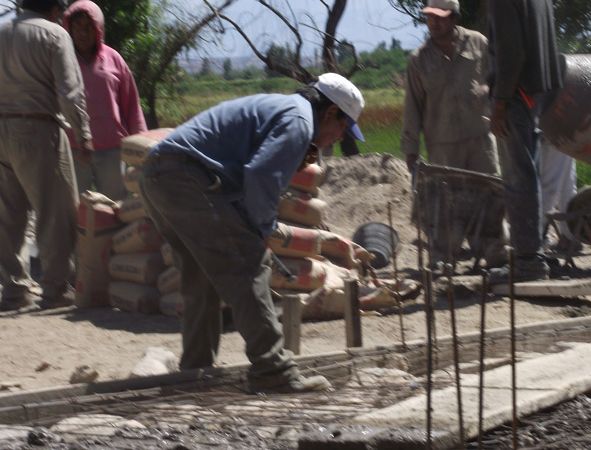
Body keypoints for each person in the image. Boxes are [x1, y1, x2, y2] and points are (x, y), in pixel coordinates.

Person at [139, 73, 365, 393]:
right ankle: (273, 370)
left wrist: (254, 225)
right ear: (330, 113)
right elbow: (260, 176)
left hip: (159, 175)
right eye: (343, 128)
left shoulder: (286, 110)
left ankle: (195, 373)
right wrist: (261, 230)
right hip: (185, 178)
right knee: (248, 265)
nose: (338, 138)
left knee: (201, 277)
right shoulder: (298, 122)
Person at [0, 0, 92, 311]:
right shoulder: (54, 34)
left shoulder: (2, 33)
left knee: (8, 216)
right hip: (39, 128)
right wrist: (83, 134)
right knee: (55, 212)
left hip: (1, 129)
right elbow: (69, 92)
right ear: (54, 10)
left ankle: (13, 291)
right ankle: (56, 288)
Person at [402, 0, 505, 268]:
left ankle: (493, 252)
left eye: (440, 17)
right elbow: (412, 107)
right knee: (445, 205)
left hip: (480, 140)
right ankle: (444, 257)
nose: (434, 23)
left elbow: (499, 77)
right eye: (430, 17)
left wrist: (489, 92)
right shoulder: (419, 60)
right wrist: (411, 150)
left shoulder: (478, 43)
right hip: (443, 146)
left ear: (454, 17)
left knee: (490, 197)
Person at [486, 0, 563, 283]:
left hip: (516, 96)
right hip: (537, 91)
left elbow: (512, 53)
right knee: (529, 175)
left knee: (519, 178)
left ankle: (528, 260)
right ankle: (534, 251)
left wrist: (499, 103)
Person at [63, 0, 147, 200]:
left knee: (116, 206)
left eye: (88, 27)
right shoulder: (61, 60)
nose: (83, 33)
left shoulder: (113, 59)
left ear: (98, 29)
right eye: (77, 27)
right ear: (69, 29)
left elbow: (131, 106)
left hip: (112, 150)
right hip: (74, 149)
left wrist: (141, 144)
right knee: (77, 209)